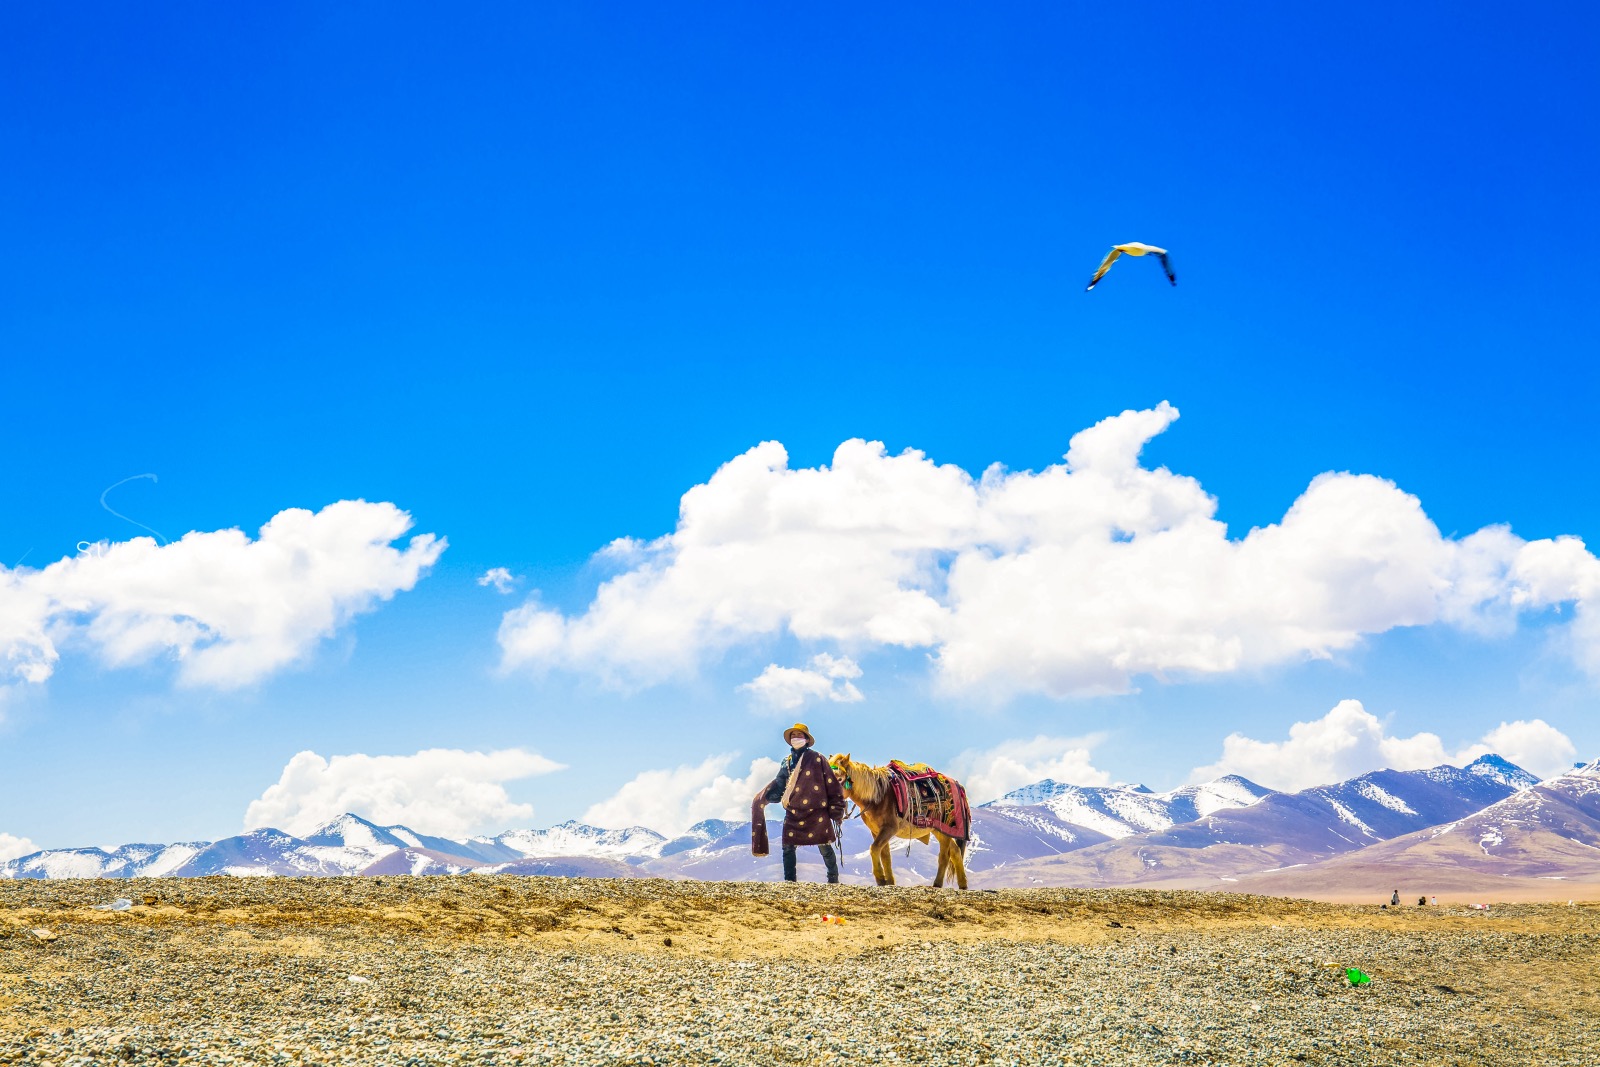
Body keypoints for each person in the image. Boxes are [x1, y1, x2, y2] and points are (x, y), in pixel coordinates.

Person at [755, 723, 845, 884]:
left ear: (806, 739)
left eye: (799, 735)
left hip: (817, 811)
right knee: (788, 846)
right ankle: (790, 882)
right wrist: (765, 797)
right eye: (793, 735)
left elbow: (832, 784)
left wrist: (836, 810)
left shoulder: (818, 759)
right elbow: (781, 784)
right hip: (793, 812)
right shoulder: (786, 762)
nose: (796, 738)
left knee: (824, 846)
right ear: (790, 740)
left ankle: (833, 881)